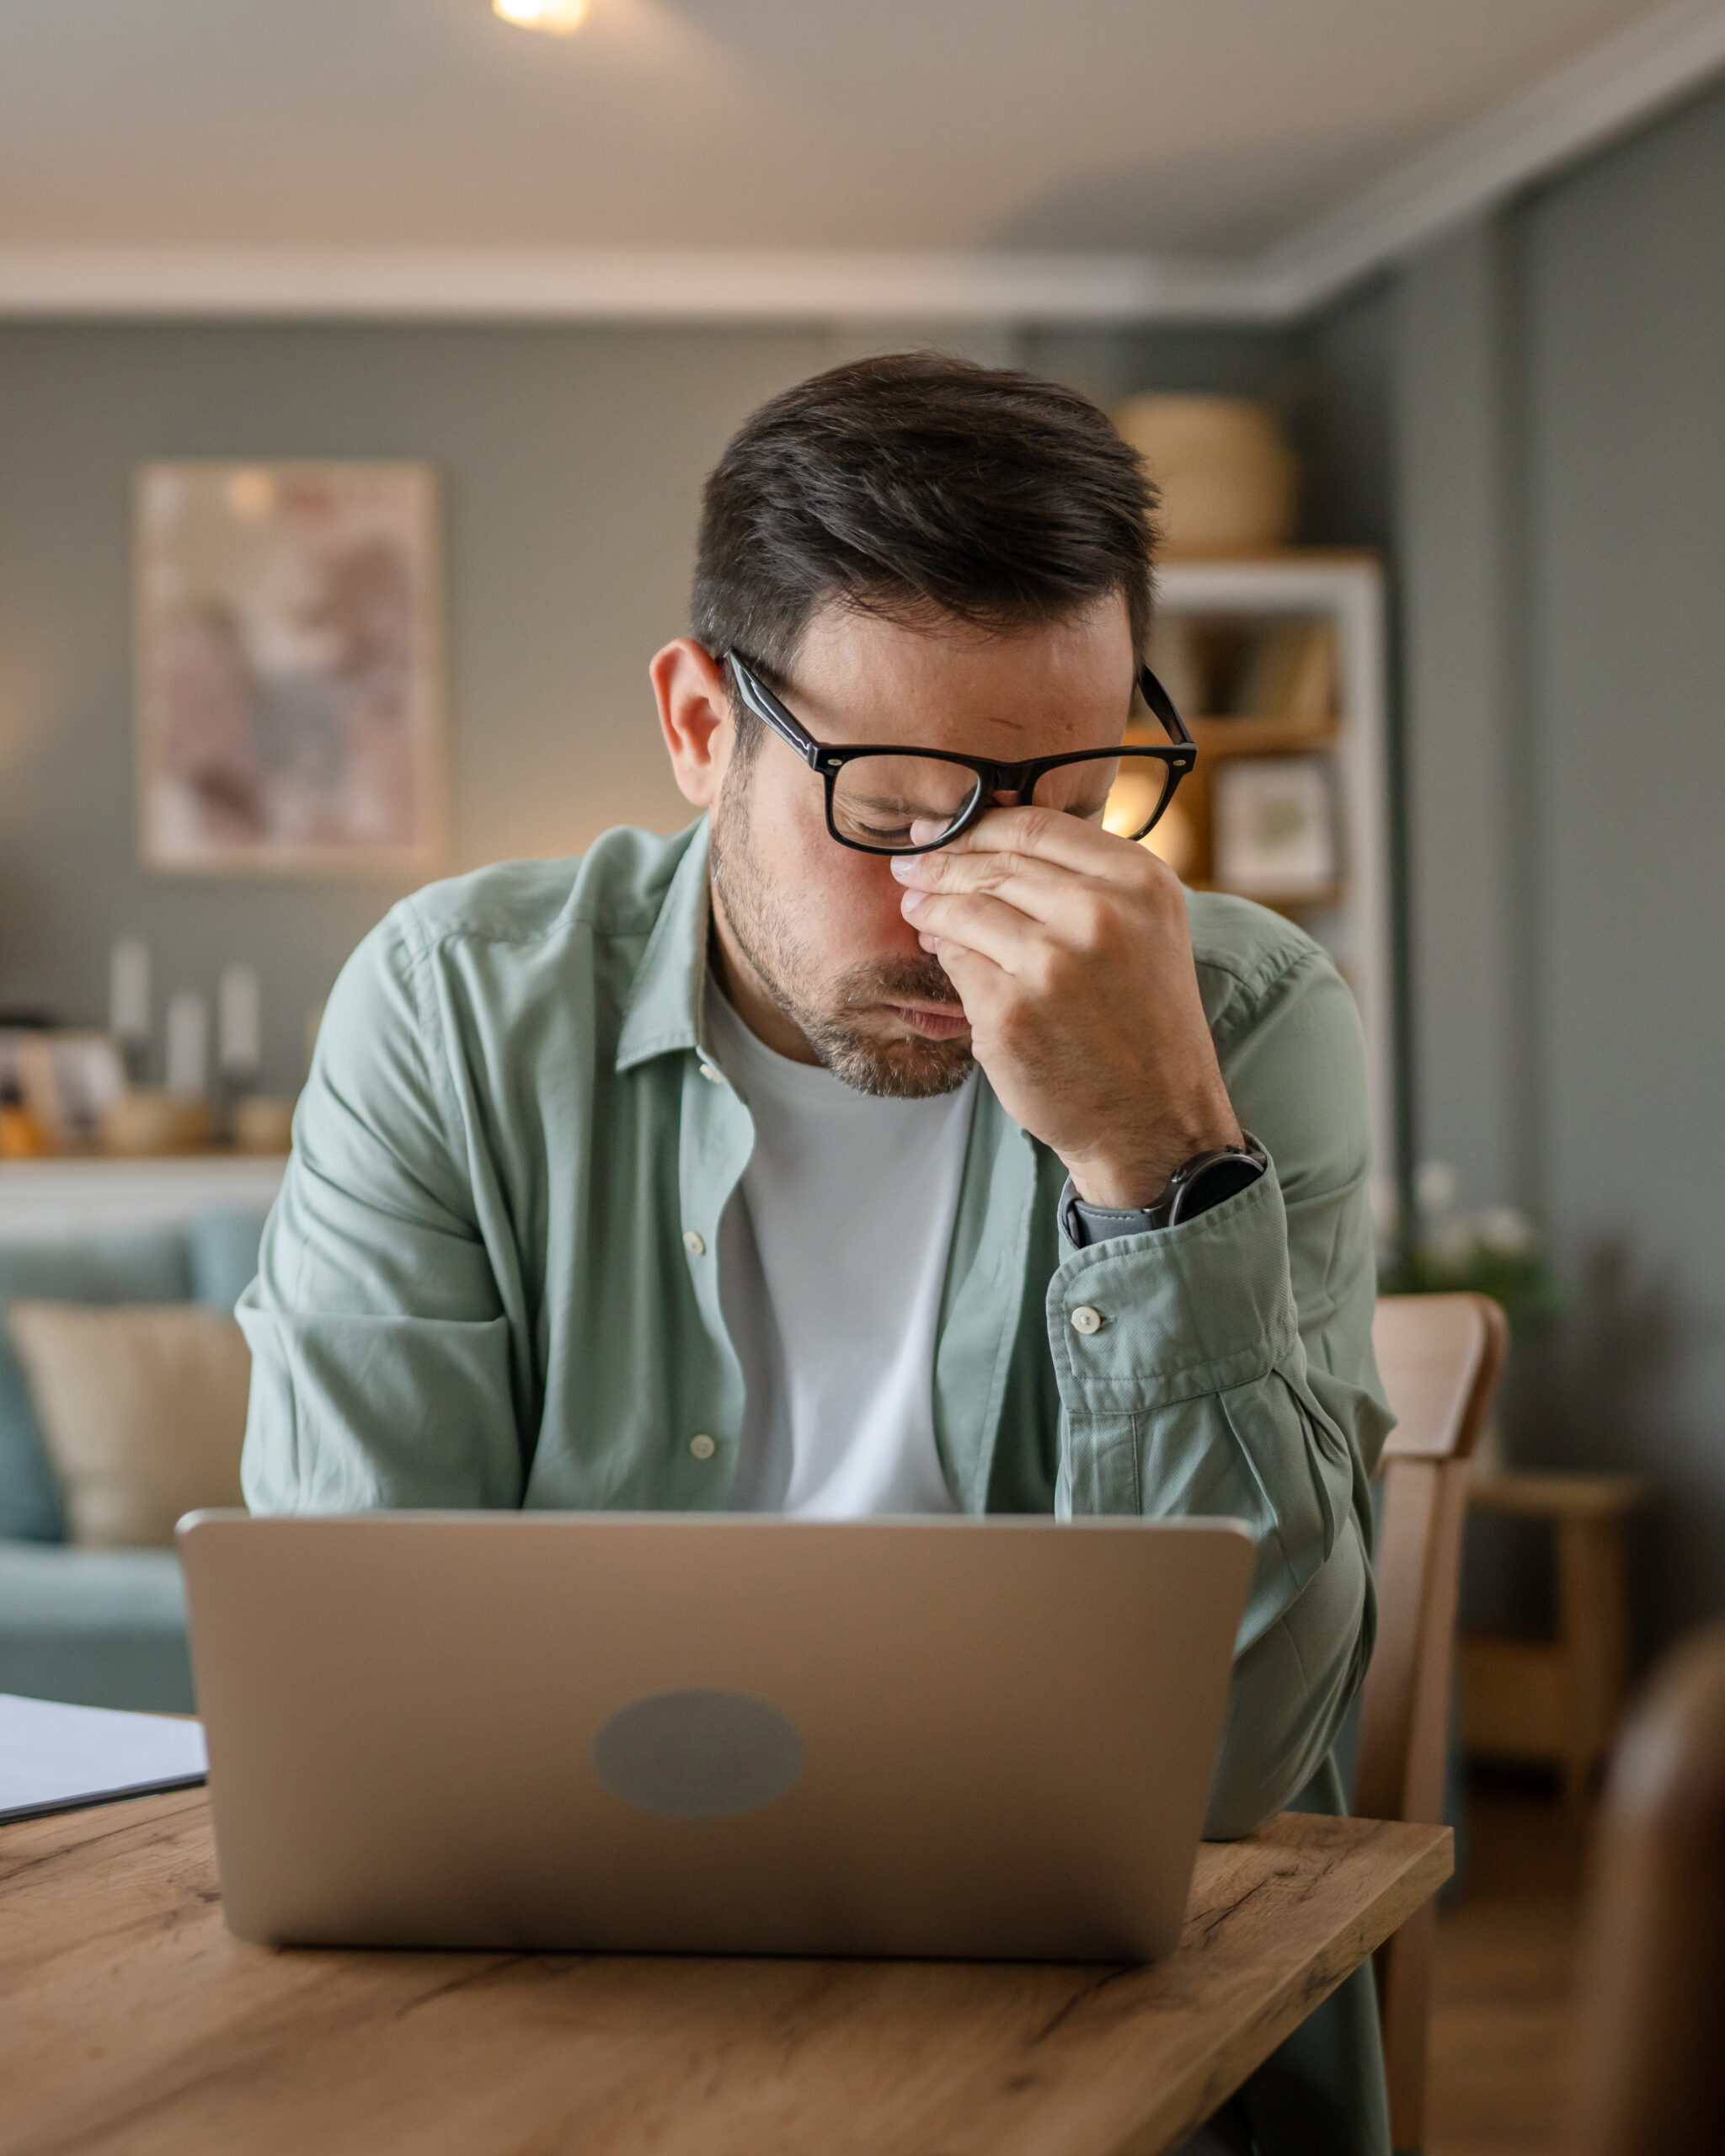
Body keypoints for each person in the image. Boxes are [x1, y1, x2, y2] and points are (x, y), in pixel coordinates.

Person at [239, 353, 1392, 2156]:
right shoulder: (454, 1003)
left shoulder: (1238, 1017)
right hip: (559, 2002)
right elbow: (363, 1718)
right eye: (895, 798)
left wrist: (1153, 1161)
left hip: (1088, 2026)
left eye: (1069, 792)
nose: (974, 888)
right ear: (702, 724)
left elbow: (1234, 1766)